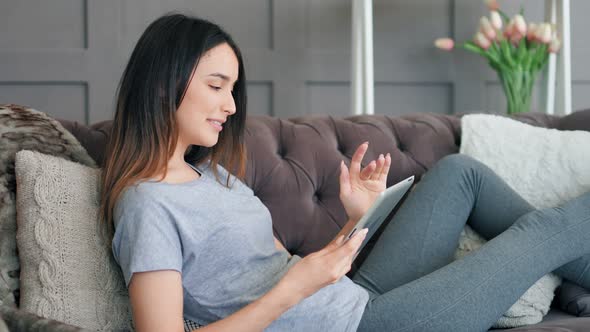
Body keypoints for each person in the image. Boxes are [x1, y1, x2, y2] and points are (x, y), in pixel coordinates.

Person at [99, 13, 590, 332]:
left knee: (459, 173)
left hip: (355, 298)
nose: (230, 104)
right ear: (166, 86)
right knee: (541, 232)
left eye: (232, 89)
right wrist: (296, 287)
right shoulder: (148, 204)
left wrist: (359, 218)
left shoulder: (214, 176)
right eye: (216, 85)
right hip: (367, 326)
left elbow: (286, 271)